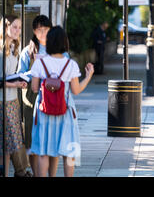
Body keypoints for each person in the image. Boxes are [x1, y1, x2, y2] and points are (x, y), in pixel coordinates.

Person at [30, 26, 94, 177]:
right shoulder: (70, 64)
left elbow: (33, 88)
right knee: (70, 151)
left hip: (44, 111)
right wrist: (88, 76)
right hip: (66, 111)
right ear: (64, 42)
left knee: (43, 152)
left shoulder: (40, 63)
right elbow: (76, 90)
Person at [15, 15, 53, 176]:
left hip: (51, 97)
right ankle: (37, 173)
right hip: (31, 97)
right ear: (34, 31)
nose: (42, 33)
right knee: (31, 137)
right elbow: (19, 75)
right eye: (39, 30)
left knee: (49, 138)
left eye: (45, 29)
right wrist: (35, 70)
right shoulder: (28, 51)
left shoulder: (55, 48)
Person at [0, 15, 28, 177]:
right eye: (15, 27)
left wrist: (20, 81)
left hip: (13, 101)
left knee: (14, 140)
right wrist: (15, 84)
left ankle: (20, 171)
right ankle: (19, 172)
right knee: (6, 141)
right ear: (6, 28)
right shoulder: (1, 52)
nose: (18, 30)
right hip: (2, 102)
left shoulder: (14, 49)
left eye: (19, 27)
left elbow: (11, 75)